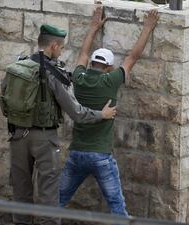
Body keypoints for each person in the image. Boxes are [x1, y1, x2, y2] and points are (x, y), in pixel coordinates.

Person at [0, 24, 117, 225]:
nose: (61, 51)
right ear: (54, 45)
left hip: (17, 135)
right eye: (61, 48)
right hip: (44, 139)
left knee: (21, 193)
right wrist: (102, 114)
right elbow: (76, 113)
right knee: (48, 196)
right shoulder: (53, 72)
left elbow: (4, 97)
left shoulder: (19, 65)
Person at [58, 7, 159, 217]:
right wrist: (148, 28)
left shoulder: (79, 78)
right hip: (101, 156)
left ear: (92, 64)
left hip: (77, 153)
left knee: (57, 200)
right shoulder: (110, 81)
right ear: (108, 67)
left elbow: (83, 53)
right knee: (117, 207)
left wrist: (93, 27)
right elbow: (133, 57)